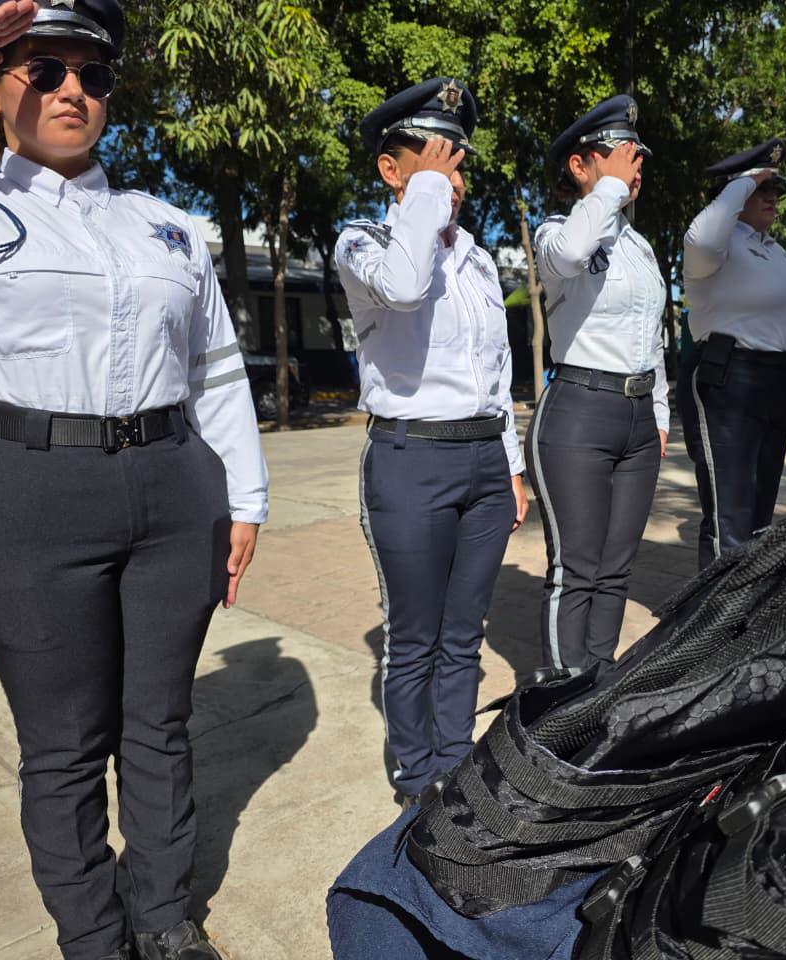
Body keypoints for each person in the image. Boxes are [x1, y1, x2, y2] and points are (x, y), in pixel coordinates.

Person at [0, 3, 269, 959]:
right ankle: (92, 937)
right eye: (42, 70)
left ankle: (165, 920)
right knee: (64, 746)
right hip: (28, 494)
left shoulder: (163, 226)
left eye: (92, 72)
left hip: (174, 492)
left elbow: (214, 366)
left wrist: (243, 496)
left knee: (160, 726)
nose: (72, 89)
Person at [335, 78, 529, 806]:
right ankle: (417, 776)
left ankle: (455, 759)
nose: (454, 178)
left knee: (463, 631)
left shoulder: (478, 260)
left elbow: (496, 373)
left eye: (460, 163)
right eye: (436, 159)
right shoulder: (365, 242)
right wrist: (423, 198)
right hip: (411, 458)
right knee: (414, 635)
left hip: (481, 457)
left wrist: (509, 465)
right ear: (391, 170)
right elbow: (407, 288)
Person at [527, 94, 667, 672]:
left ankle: (598, 678)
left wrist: (658, 415)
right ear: (579, 166)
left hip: (636, 418)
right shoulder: (555, 233)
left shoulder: (639, 248)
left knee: (617, 567)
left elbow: (653, 339)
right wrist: (608, 187)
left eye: (636, 158)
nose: (633, 167)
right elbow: (570, 253)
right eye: (618, 154)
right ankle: (561, 698)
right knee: (576, 567)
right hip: (579, 411)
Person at [678, 138, 786, 570]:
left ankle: (745, 612)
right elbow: (700, 235)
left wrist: (752, 182)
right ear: (733, 192)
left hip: (775, 381)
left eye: (775, 189)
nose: (772, 196)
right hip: (730, 378)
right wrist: (742, 183)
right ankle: (713, 624)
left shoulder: (771, 250)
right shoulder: (716, 247)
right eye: (761, 189)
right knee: (729, 516)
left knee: (759, 514)